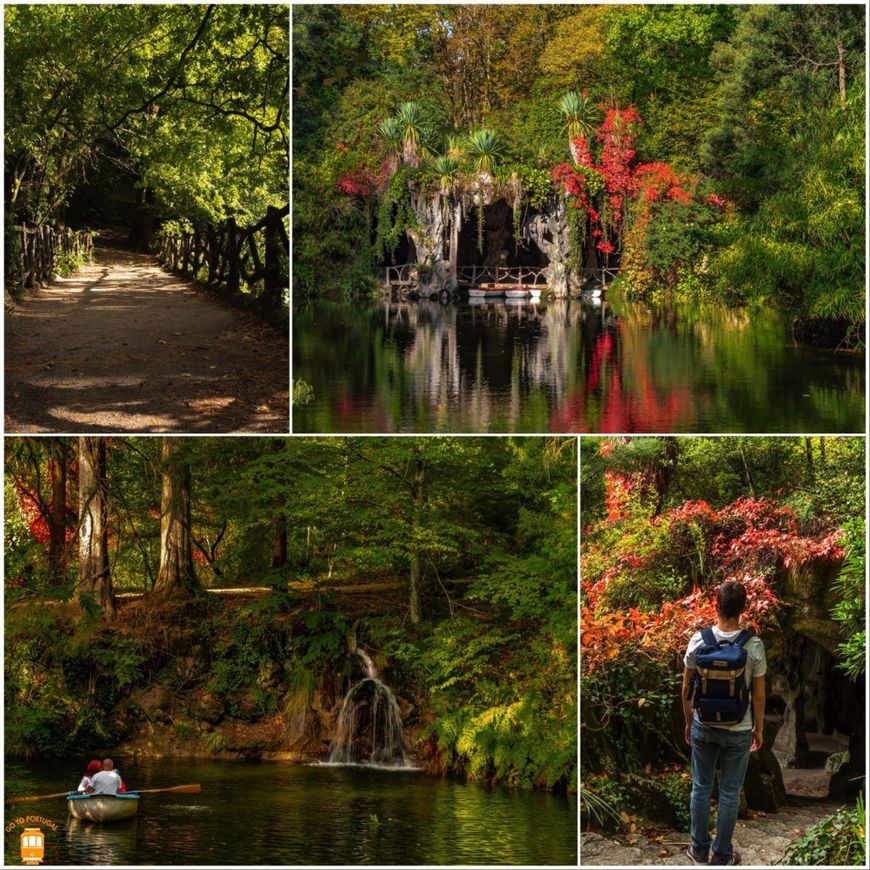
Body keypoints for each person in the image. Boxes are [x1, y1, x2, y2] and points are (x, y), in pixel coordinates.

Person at [682, 580, 767, 866]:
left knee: (701, 788)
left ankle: (698, 849)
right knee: (730, 792)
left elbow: (686, 691)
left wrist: (687, 723)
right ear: (743, 609)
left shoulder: (698, 640)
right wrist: (759, 728)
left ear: (716, 606)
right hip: (739, 729)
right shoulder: (753, 645)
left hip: (703, 725)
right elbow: (758, 694)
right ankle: (721, 854)